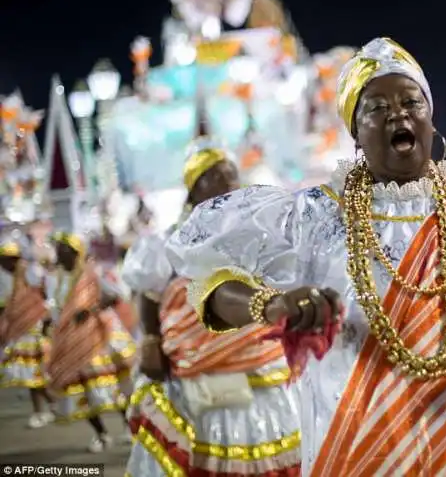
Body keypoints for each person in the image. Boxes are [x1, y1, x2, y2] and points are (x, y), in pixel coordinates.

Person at [166, 37, 446, 476]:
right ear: (356, 134)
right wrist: (273, 304)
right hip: (365, 448)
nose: (397, 115)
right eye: (377, 108)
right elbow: (210, 273)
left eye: (410, 103)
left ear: (430, 118)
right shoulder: (309, 216)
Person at [123, 139, 301, 477]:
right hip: (198, 379)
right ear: (192, 192)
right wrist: (150, 341)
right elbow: (149, 294)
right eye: (212, 176)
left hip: (266, 370)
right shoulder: (172, 242)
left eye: (230, 173)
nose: (226, 181)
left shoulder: (263, 233)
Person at [46, 232, 136, 453]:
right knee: (83, 391)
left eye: (64, 250)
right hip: (70, 342)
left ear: (76, 253)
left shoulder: (93, 274)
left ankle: (129, 429)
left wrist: (91, 309)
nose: (60, 253)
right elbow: (56, 310)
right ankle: (102, 435)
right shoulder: (54, 279)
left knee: (110, 388)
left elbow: (116, 295)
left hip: (98, 339)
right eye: (58, 249)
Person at [0, 238, 55, 428]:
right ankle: (47, 408)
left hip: (33, 329)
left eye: (7, 259)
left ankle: (47, 408)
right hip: (21, 329)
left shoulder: (29, 272)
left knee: (34, 373)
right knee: (32, 374)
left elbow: (44, 294)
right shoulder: (8, 277)